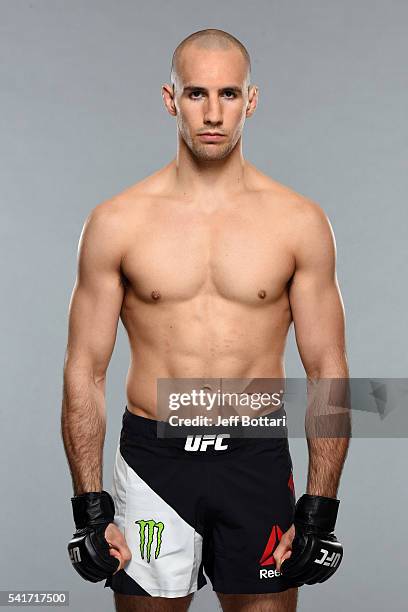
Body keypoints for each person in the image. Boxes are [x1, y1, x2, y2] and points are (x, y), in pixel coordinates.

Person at [62, 28, 350, 612]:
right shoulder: (117, 222)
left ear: (251, 99)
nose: (213, 113)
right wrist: (90, 507)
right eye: (196, 94)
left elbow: (328, 371)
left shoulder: (299, 222)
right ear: (171, 100)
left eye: (228, 94)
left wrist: (321, 508)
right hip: (154, 464)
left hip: (255, 457)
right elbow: (84, 370)